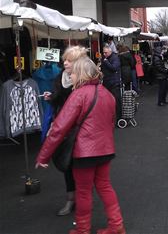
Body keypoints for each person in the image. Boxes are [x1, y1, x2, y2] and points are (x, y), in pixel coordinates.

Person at [36, 57, 126, 234]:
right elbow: (111, 123)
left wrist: (43, 155)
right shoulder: (107, 94)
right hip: (106, 150)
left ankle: (83, 229)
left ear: (82, 74)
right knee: (105, 187)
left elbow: (59, 128)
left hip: (84, 153)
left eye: (74, 73)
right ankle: (117, 225)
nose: (71, 76)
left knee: (83, 192)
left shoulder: (78, 95)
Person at [43, 46, 87, 216]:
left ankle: (82, 199)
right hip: (63, 124)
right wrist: (51, 97)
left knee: (80, 163)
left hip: (80, 126)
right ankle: (70, 199)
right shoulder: (60, 77)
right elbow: (58, 97)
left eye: (69, 60)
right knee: (66, 162)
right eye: (65, 60)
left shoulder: (84, 79)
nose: (65, 63)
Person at [100, 45, 122, 121]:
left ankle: (119, 117)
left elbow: (114, 68)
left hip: (114, 83)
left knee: (116, 101)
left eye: (106, 52)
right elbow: (104, 68)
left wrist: (105, 61)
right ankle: (110, 117)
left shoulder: (115, 58)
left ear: (110, 51)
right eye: (103, 53)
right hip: (107, 82)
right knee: (107, 101)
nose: (104, 54)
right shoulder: (105, 58)